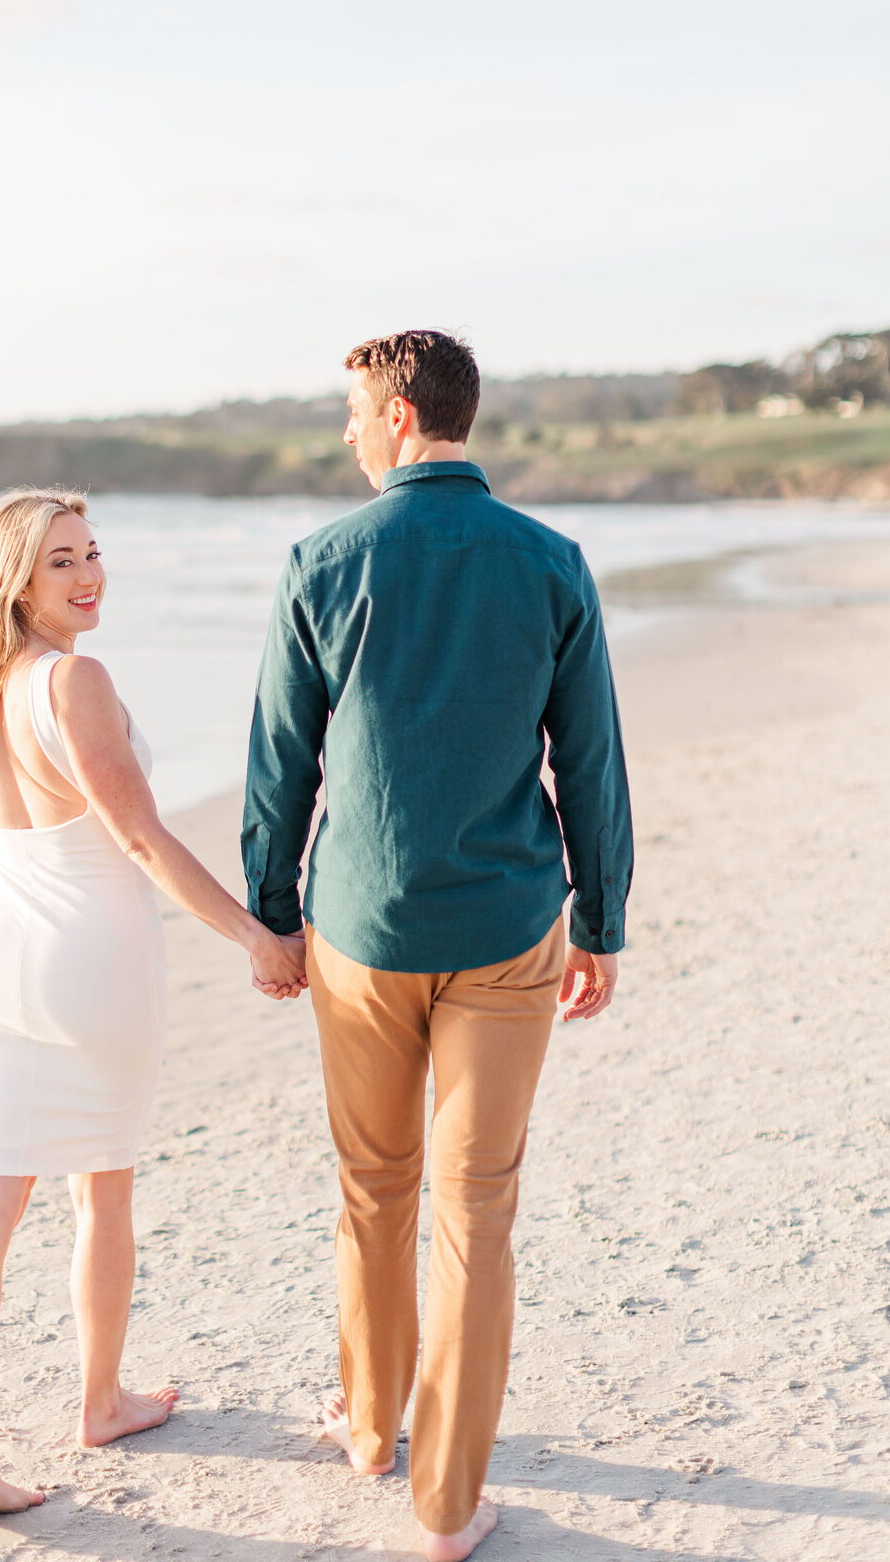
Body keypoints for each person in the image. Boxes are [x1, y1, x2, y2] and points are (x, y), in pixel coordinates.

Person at [242, 332, 633, 1561]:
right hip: (511, 926)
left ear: (402, 415)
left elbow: (279, 765)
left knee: (376, 1189)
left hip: (361, 930)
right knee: (477, 1212)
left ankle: (370, 1427)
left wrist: (270, 913)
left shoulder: (323, 559)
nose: (348, 436)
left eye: (356, 415)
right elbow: (594, 761)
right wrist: (604, 919)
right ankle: (450, 1507)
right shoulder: (551, 561)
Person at [0, 487, 306, 1521]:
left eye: (92, 552)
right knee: (103, 1190)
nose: (89, 573)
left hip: (1, 958)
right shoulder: (71, 680)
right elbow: (138, 838)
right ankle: (99, 1399)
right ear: (15, 576)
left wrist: (8, 954)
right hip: (95, 963)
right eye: (61, 560)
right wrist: (255, 935)